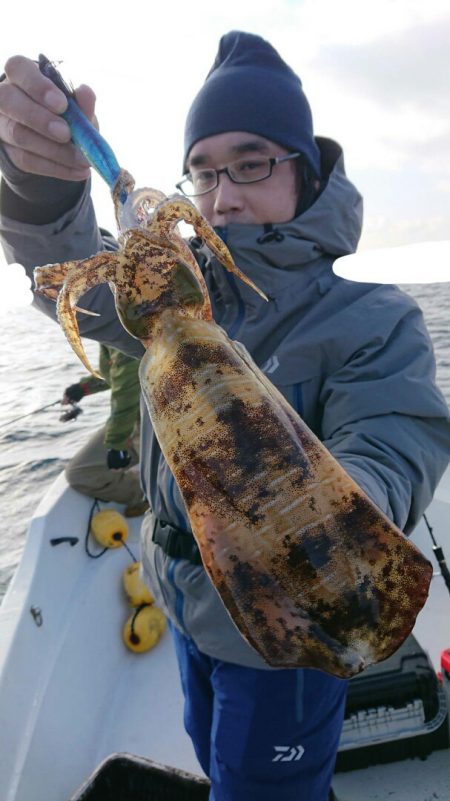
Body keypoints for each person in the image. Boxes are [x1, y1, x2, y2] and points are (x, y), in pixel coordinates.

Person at [1, 32, 450, 801]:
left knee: (266, 788)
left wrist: (325, 509)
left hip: (288, 634)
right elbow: (67, 273)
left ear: (305, 175)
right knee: (211, 746)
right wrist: (40, 187)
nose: (224, 193)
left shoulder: (374, 319)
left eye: (252, 163)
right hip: (182, 595)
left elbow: (395, 441)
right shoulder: (163, 305)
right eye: (204, 172)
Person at [61, 342, 149, 518]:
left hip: (151, 424)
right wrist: (84, 388)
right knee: (80, 472)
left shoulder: (119, 326)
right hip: (133, 420)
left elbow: (126, 387)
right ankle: (148, 495)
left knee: (81, 473)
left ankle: (159, 496)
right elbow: (121, 369)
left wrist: (116, 444)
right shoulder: (110, 330)